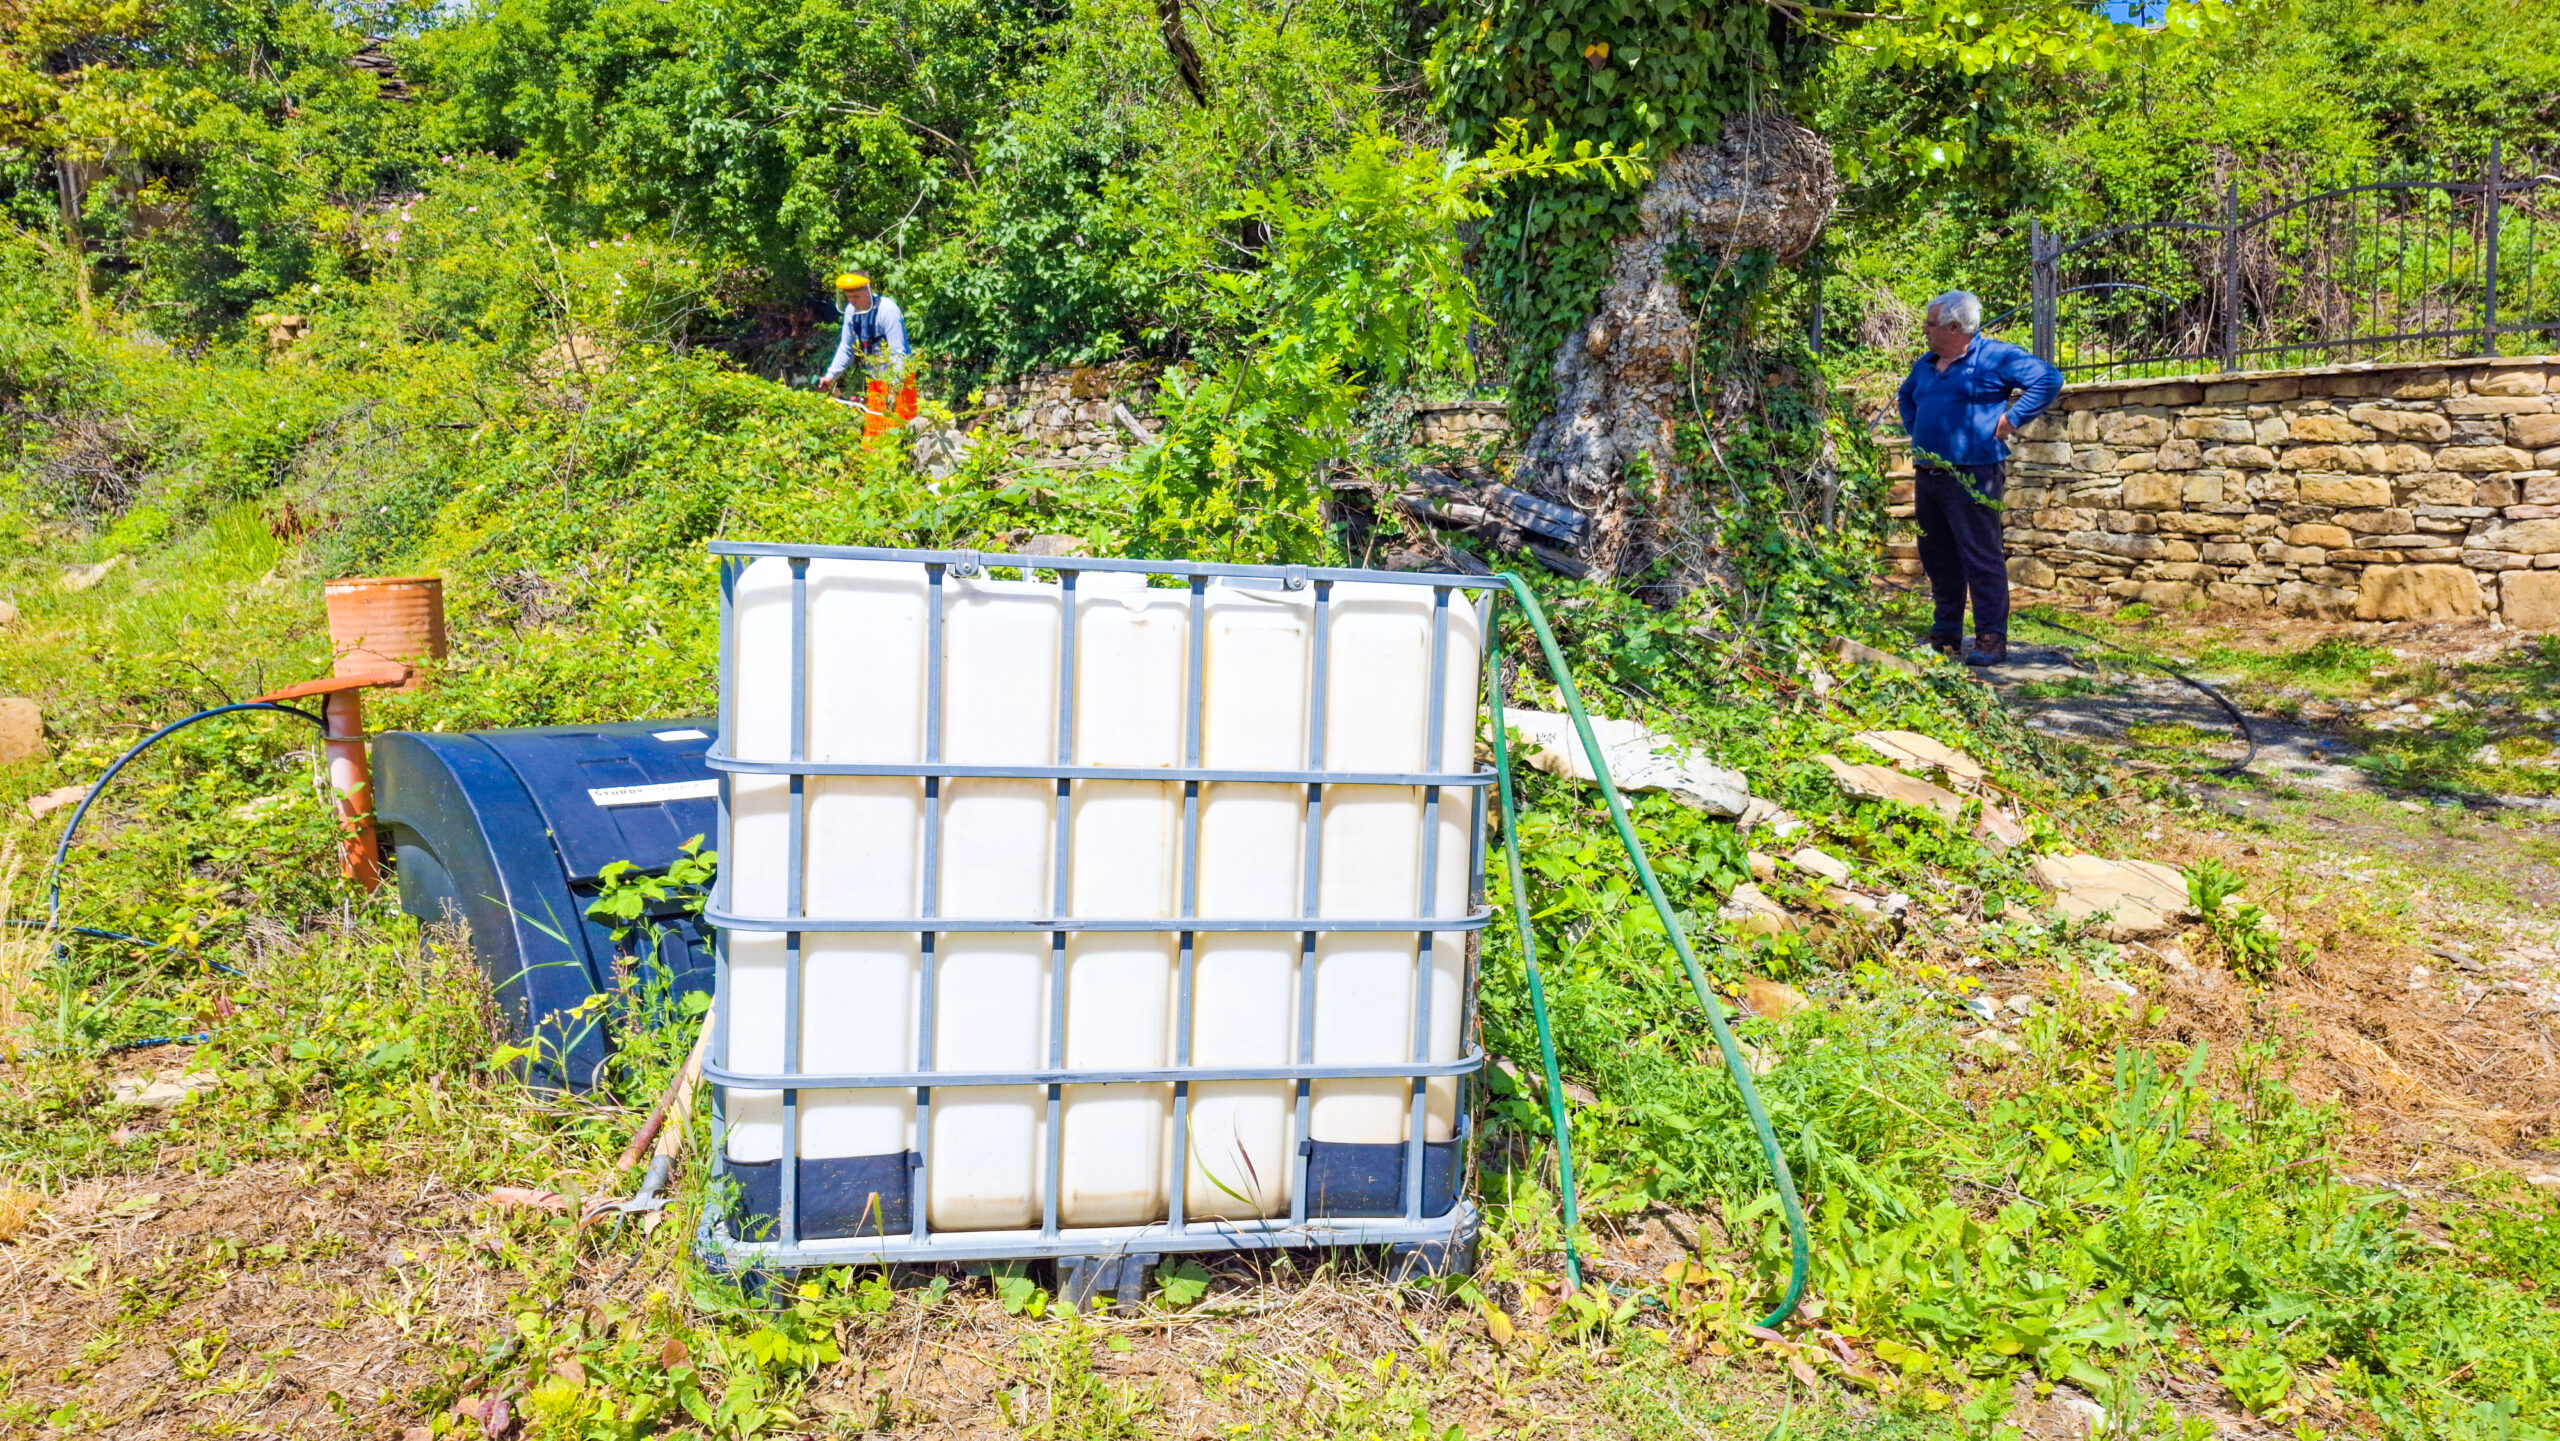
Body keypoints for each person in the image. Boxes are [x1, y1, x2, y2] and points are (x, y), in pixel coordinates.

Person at [1895, 289, 2062, 667]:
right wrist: (1917, 429)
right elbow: (1906, 397)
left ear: (1955, 327)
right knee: (1937, 556)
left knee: (1980, 557)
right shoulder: (1926, 363)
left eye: (1930, 323)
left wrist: (2012, 419)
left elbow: (2048, 379)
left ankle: (1989, 639)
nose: (1925, 329)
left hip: (1974, 473)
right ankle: (1946, 635)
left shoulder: (1995, 357)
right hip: (1929, 473)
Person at [817, 271, 908, 392]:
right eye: (848, 297)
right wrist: (830, 377)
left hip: (900, 379)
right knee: (873, 411)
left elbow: (897, 353)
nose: (852, 301)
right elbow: (846, 348)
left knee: (899, 411)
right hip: (875, 378)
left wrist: (895, 386)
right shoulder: (851, 311)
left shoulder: (888, 311)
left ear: (868, 292)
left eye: (855, 297)